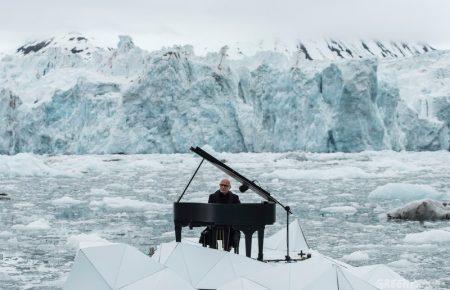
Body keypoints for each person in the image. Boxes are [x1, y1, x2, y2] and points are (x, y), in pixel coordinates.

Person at [199, 179, 241, 252]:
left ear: (229, 187)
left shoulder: (234, 197)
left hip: (230, 225)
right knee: (209, 231)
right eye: (221, 185)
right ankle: (212, 250)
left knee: (234, 232)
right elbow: (209, 212)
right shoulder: (212, 196)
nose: (223, 187)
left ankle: (228, 250)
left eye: (225, 185)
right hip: (215, 224)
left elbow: (239, 211)